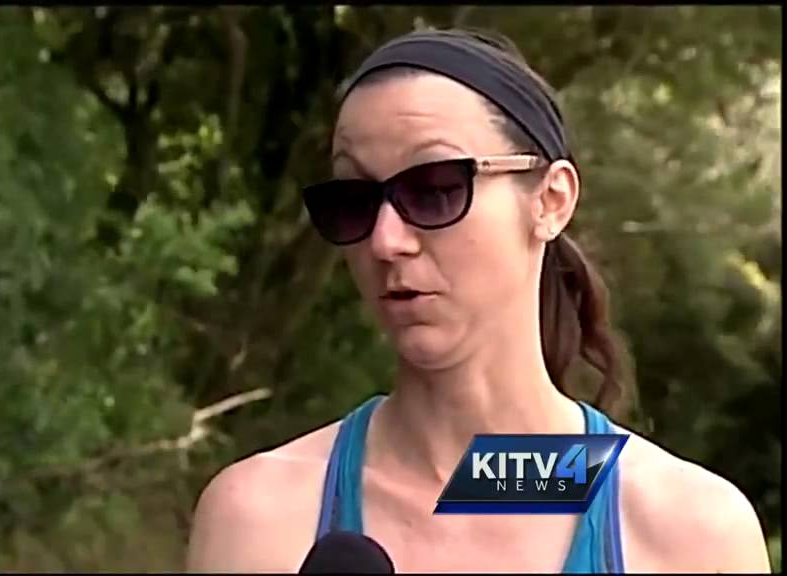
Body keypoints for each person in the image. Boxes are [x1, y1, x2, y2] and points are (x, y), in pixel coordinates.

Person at [186, 28, 771, 573]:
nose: (385, 241)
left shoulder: (690, 536)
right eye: (354, 200)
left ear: (550, 201)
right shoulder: (259, 521)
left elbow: (496, 482)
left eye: (435, 189)